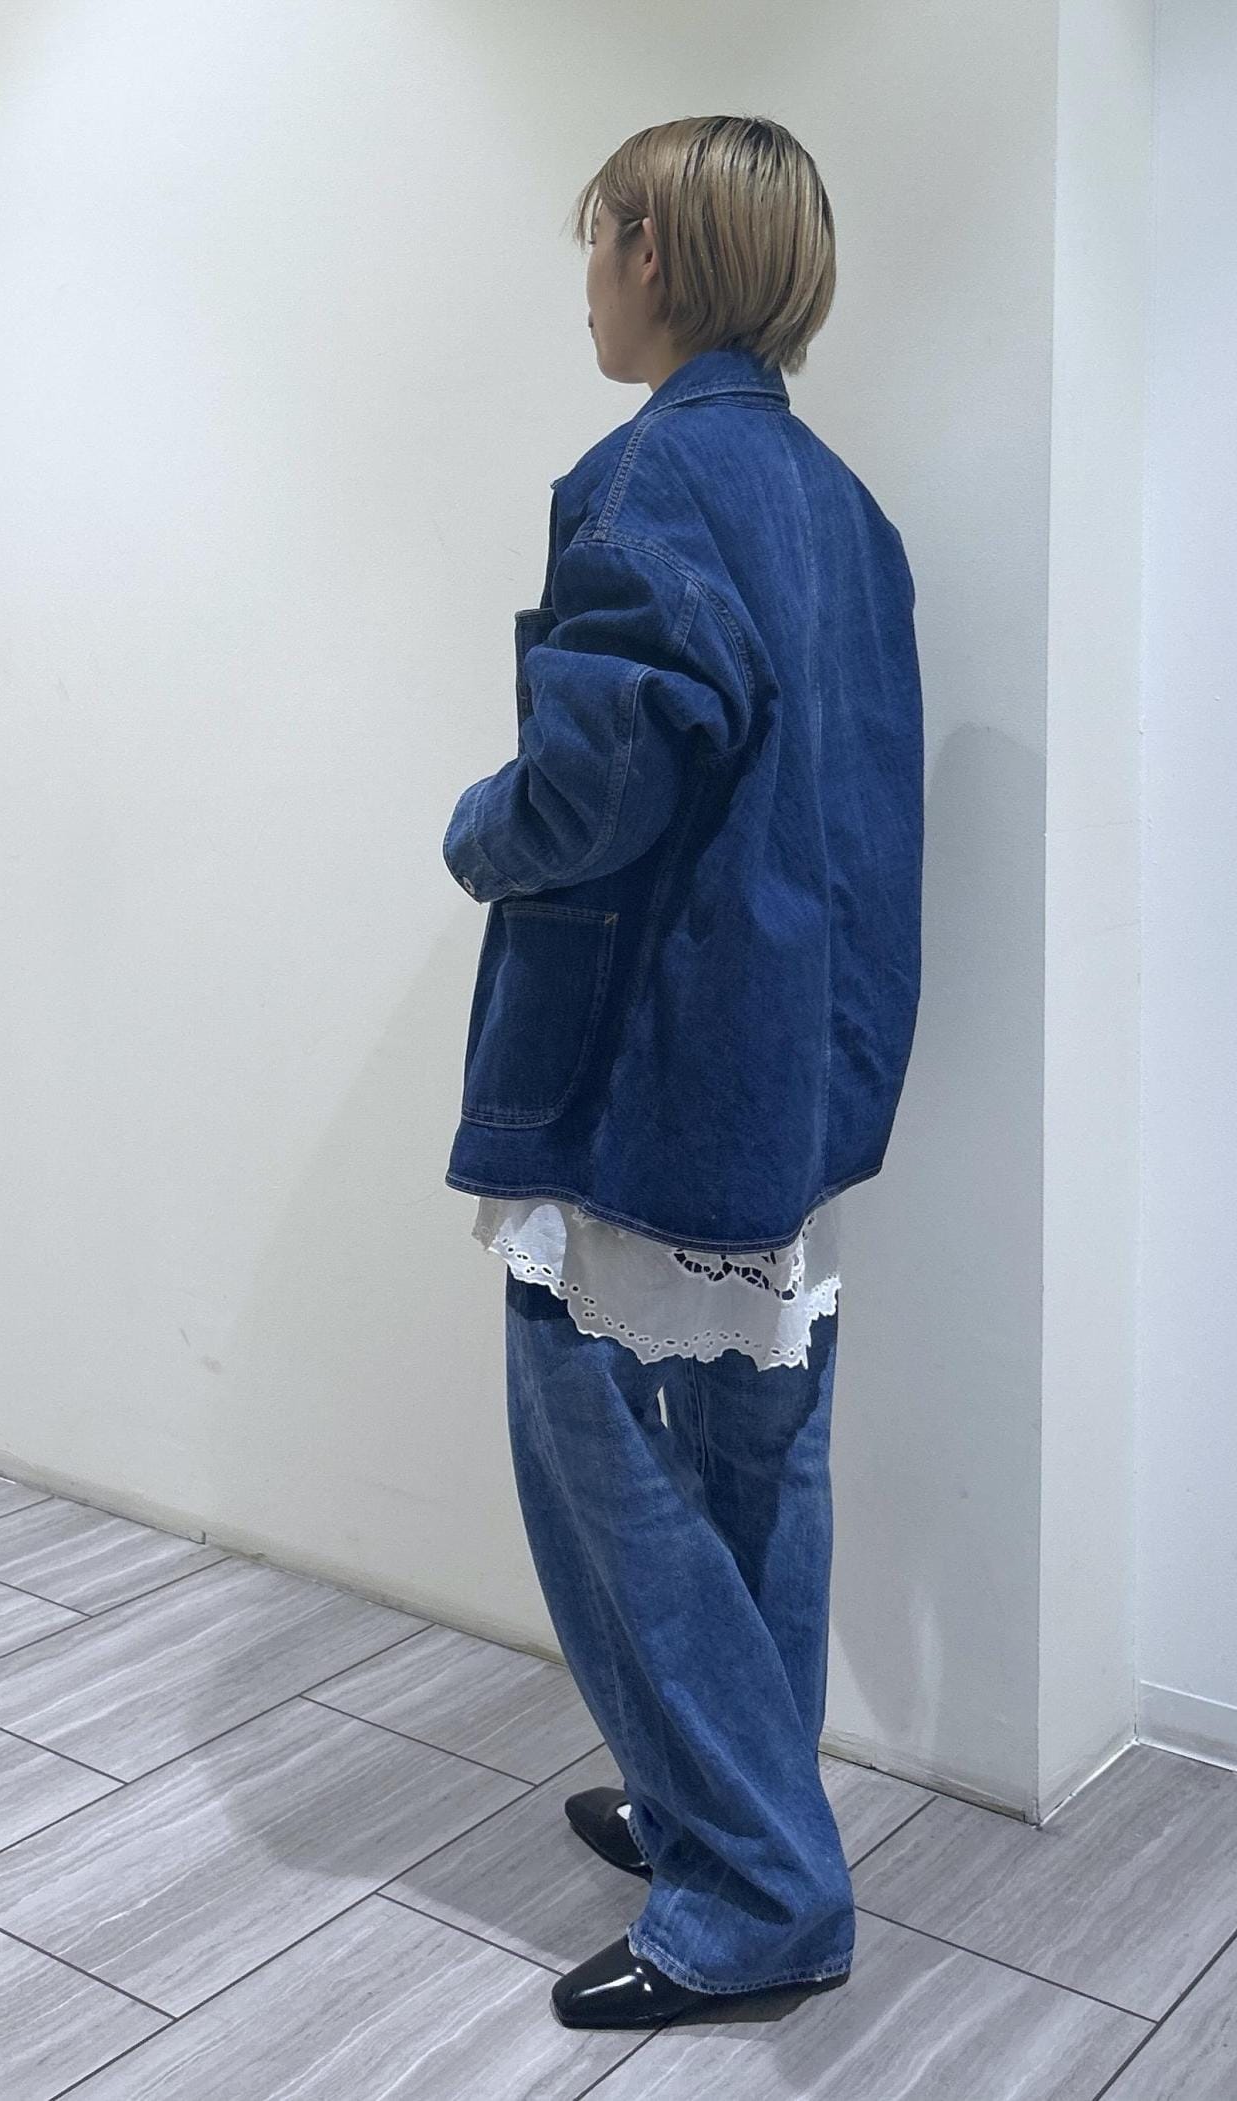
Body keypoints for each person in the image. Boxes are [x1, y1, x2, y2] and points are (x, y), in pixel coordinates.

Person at [441, 114, 923, 2029]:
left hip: (649, 1063)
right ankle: (723, 1809)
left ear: (653, 250)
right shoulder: (850, 513)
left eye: (597, 242)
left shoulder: (644, 479)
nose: (584, 283)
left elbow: (590, 788)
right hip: (795, 1073)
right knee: (755, 1449)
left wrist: (475, 828)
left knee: (585, 1434)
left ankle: (758, 1886)